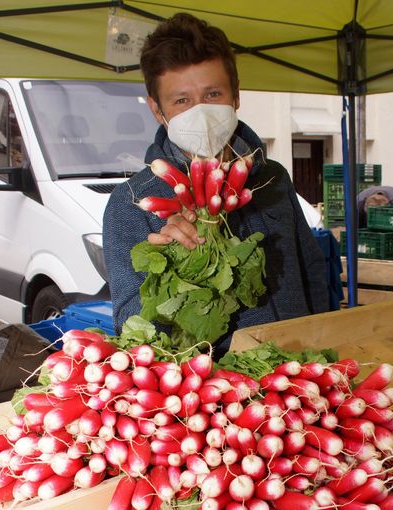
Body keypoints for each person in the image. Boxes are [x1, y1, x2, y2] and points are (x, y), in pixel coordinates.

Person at [102, 13, 329, 356]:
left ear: (235, 96)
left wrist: (326, 344)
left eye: (212, 93)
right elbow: (133, 330)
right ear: (157, 110)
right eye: (182, 100)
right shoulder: (130, 203)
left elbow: (312, 271)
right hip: (217, 393)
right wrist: (173, 261)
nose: (201, 112)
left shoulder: (274, 179)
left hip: (298, 373)